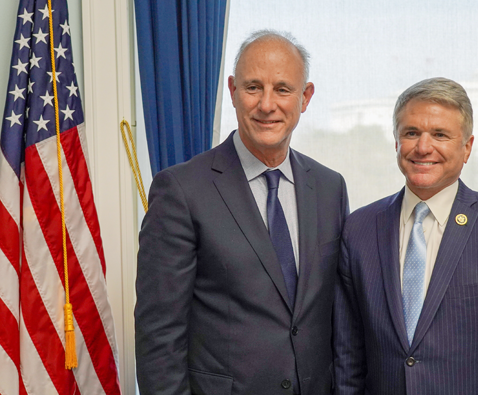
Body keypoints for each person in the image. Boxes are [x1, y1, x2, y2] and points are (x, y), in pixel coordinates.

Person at [135, 30, 348, 395]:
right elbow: (159, 335)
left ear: (305, 97)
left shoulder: (330, 188)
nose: (267, 105)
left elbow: (337, 315)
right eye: (253, 87)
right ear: (233, 91)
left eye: (283, 89)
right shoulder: (181, 190)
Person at [333, 77, 478, 395]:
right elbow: (347, 362)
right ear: (396, 142)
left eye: (440, 135)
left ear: (467, 148)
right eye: (411, 133)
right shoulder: (359, 230)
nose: (423, 147)